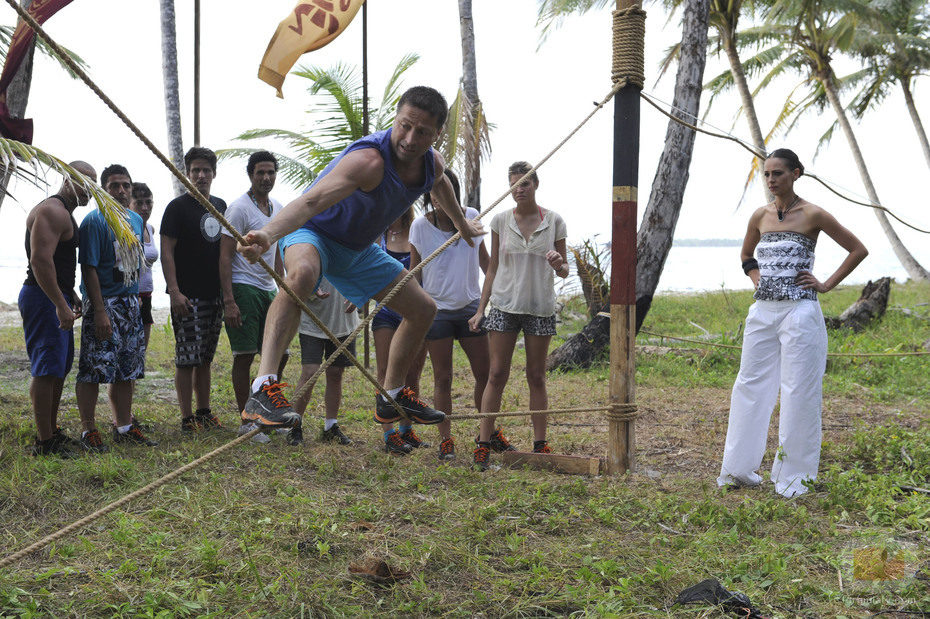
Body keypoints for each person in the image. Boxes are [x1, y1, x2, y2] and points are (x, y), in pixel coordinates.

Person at [237, 86, 484, 431]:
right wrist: (267, 234)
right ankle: (262, 387)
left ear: (437, 135)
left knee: (423, 308)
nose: (410, 139)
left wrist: (461, 224)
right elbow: (309, 203)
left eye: (422, 132)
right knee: (303, 275)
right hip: (313, 233)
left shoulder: (432, 163)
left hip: (357, 250)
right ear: (395, 119)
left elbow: (439, 183)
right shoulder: (369, 161)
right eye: (404, 126)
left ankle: (392, 394)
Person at [717, 148, 867, 498]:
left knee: (799, 391)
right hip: (762, 312)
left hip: (800, 311)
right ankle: (738, 471)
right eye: (767, 174)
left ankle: (793, 480)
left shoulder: (812, 213)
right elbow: (746, 255)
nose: (771, 180)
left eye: (778, 174)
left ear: (796, 173)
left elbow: (857, 249)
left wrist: (826, 284)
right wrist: (756, 278)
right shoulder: (760, 215)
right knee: (749, 387)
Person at [468, 161, 569, 471]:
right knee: (496, 374)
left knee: (536, 375)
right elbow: (493, 267)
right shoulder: (500, 221)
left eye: (524, 183)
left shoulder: (554, 221)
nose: (519, 189)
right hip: (503, 305)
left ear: (535, 184)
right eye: (514, 184)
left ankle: (540, 444)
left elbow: (565, 270)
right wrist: (481, 309)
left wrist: (557, 263)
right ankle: (484, 443)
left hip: (539, 307)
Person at [409, 169, 490, 461]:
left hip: (471, 308)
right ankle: (446, 440)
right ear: (429, 196)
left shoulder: (472, 216)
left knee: (485, 374)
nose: (439, 197)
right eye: (434, 192)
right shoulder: (420, 226)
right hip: (437, 312)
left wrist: (489, 304)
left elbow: (486, 264)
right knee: (443, 379)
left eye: (445, 190)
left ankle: (486, 433)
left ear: (454, 193)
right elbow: (415, 272)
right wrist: (415, 313)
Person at [75, 164, 156, 451]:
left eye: (125, 186)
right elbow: (89, 268)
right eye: (114, 186)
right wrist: (99, 310)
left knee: (127, 368)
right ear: (103, 190)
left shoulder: (136, 220)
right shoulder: (94, 222)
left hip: (131, 301)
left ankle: (123, 425)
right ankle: (89, 430)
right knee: (94, 368)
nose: (121, 191)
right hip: (104, 302)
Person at [19, 161, 95, 457]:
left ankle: (50, 431)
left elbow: (57, 261)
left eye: (93, 182)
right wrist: (59, 304)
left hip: (55, 294)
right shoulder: (53, 210)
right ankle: (44, 441)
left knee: (59, 368)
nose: (89, 187)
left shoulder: (65, 213)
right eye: (83, 179)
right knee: (46, 369)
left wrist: (70, 293)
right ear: (66, 178)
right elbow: (40, 260)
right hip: (42, 297)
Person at [219, 151, 288, 438]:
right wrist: (229, 300)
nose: (266, 177)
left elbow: (278, 254)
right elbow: (224, 256)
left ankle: (267, 413)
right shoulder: (238, 209)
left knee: (279, 355)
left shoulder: (279, 208)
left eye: (270, 172)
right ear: (250, 175)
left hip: (268, 288)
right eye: (260, 172)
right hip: (243, 287)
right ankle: (247, 421)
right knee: (245, 356)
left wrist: (285, 287)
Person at [160, 147, 226, 432]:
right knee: (186, 358)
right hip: (187, 295)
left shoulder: (222, 206)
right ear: (187, 174)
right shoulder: (177, 208)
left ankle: (204, 411)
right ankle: (187, 418)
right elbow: (166, 252)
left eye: (206, 170)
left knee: (205, 358)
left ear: (213, 173)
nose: (201, 175)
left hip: (215, 295)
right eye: (195, 170)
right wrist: (174, 291)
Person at [372, 210, 429, 455]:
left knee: (412, 372)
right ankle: (389, 434)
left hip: (414, 312)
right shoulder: (379, 235)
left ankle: (407, 429)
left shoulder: (417, 231)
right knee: (385, 371)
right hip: (385, 311)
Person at [292, 282, 360, 447]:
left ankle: (330, 426)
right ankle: (294, 425)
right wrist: (311, 289)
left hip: (344, 320)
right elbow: (295, 274)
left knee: (336, 373)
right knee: (310, 372)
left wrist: (359, 295)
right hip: (312, 317)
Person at [129, 182, 157, 350]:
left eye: (148, 202)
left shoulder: (150, 229)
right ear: (129, 204)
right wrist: (133, 293)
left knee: (141, 352)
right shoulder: (126, 228)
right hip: (132, 295)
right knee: (130, 350)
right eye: (139, 203)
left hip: (147, 295)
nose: (145, 207)